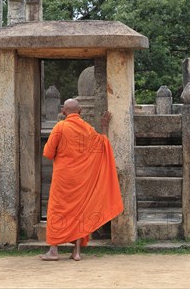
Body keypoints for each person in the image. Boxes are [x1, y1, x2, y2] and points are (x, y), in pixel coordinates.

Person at [40, 98, 123, 261]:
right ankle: (76, 252)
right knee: (79, 212)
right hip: (82, 179)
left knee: (57, 210)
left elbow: (48, 153)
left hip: (63, 178)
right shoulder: (88, 129)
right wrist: (104, 126)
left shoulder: (60, 127)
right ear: (80, 111)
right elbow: (102, 145)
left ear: (63, 111)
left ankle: (54, 251)